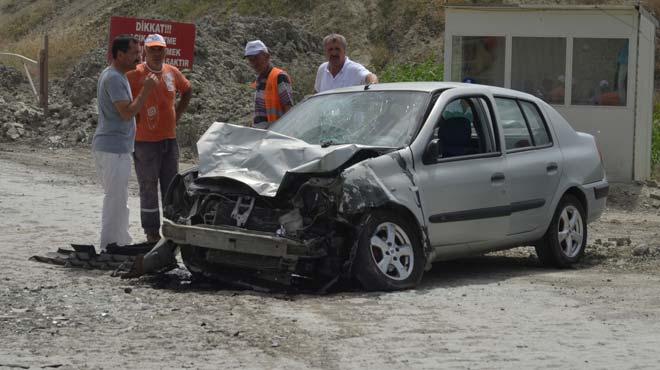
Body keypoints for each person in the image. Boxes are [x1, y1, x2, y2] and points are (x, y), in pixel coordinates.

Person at [92, 35, 157, 250]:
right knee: (115, 199)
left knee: (120, 198)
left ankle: (120, 242)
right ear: (119, 55)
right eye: (133, 53)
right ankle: (109, 244)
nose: (138, 58)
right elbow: (126, 113)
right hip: (113, 149)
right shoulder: (113, 78)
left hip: (117, 148)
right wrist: (146, 91)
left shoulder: (117, 76)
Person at [126, 34, 192, 243]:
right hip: (144, 143)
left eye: (159, 49)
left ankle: (172, 231)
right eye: (152, 49)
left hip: (169, 142)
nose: (156, 53)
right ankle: (151, 233)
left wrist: (177, 115)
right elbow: (123, 101)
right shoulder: (134, 74)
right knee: (148, 186)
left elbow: (188, 90)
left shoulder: (172, 72)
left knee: (172, 187)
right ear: (144, 51)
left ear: (166, 51)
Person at [244, 40, 293, 129]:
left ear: (267, 56)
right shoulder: (260, 80)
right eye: (250, 60)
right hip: (262, 134)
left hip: (276, 133)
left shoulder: (279, 77)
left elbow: (288, 109)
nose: (254, 62)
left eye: (256, 58)